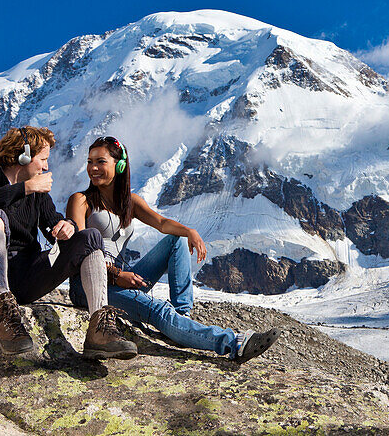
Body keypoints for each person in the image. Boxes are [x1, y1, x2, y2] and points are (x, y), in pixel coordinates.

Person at [66, 136, 280, 363]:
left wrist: (189, 231)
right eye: (90, 162)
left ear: (119, 166)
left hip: (122, 281)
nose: (93, 168)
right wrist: (117, 275)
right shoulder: (80, 201)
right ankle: (231, 342)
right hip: (90, 287)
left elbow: (161, 223)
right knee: (158, 310)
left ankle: (181, 317)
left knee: (176, 239)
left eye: (100, 161)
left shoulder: (130, 202)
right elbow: (79, 254)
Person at [0, 126, 136, 359]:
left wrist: (66, 226)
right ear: (23, 156)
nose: (46, 166)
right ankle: (3, 311)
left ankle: (99, 329)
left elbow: (53, 224)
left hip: (24, 279)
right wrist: (24, 188)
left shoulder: (38, 193)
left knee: (90, 236)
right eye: (43, 159)